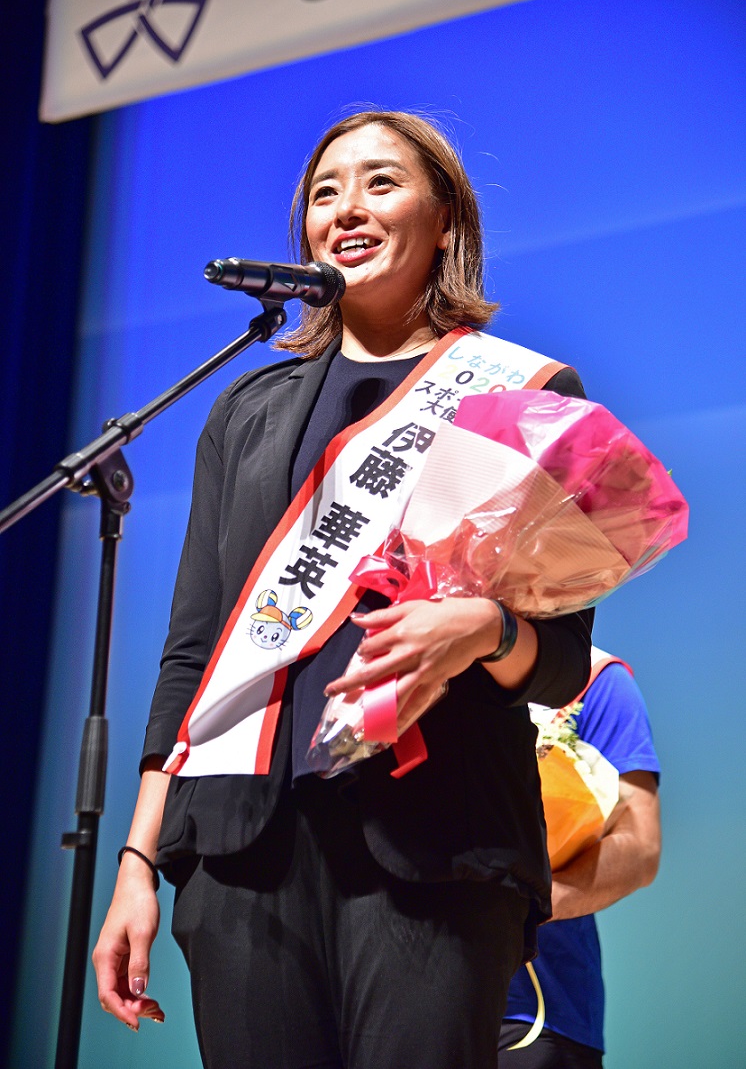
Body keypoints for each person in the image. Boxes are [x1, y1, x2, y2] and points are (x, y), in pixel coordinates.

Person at [92, 109, 594, 1069]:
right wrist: (139, 865)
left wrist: (482, 627)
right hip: (244, 855)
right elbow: (195, 652)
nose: (346, 210)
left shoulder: (521, 393)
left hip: (435, 850)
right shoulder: (247, 407)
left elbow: (561, 659)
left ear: (444, 218)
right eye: (325, 193)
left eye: (379, 183)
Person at [500, 649, 661, 1068]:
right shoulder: (422, 662)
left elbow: (641, 846)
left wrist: (534, 902)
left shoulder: (596, 678)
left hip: (538, 1014)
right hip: (404, 991)